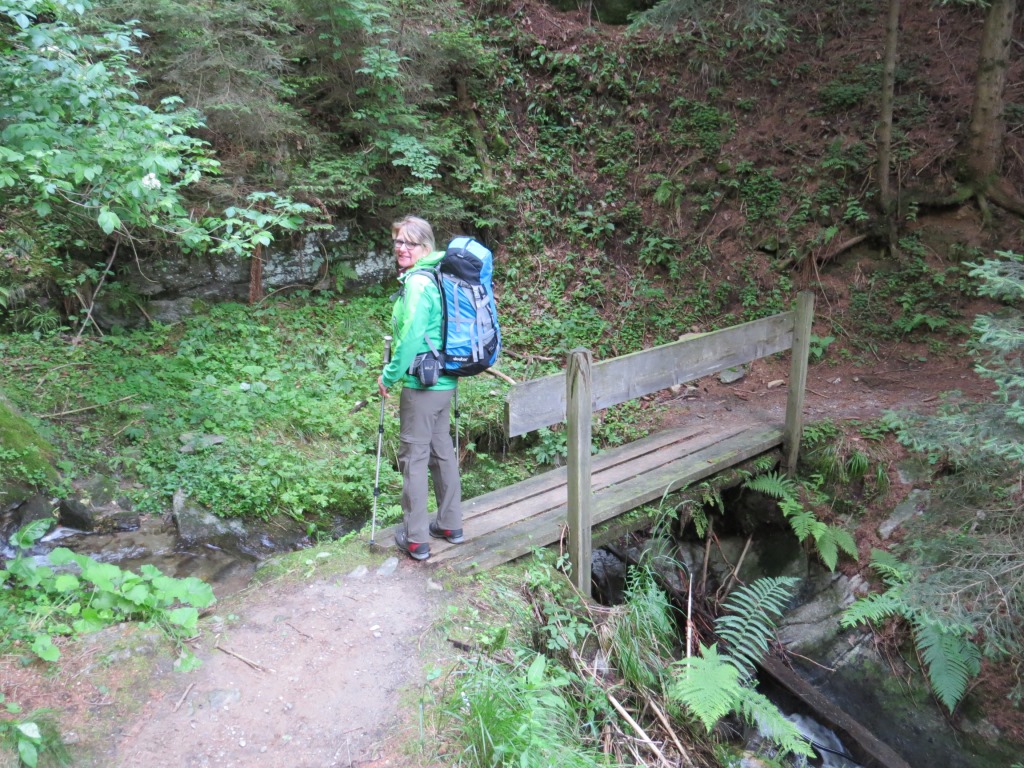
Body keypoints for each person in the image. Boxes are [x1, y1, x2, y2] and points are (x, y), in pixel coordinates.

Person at [377, 215, 464, 561]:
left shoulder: (417, 283)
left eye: (409, 243)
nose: (401, 248)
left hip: (422, 385)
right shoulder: (441, 274)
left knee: (414, 458)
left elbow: (412, 336)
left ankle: (415, 539)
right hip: (445, 381)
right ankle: (450, 524)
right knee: (441, 451)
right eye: (398, 241)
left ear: (425, 246)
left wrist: (389, 375)